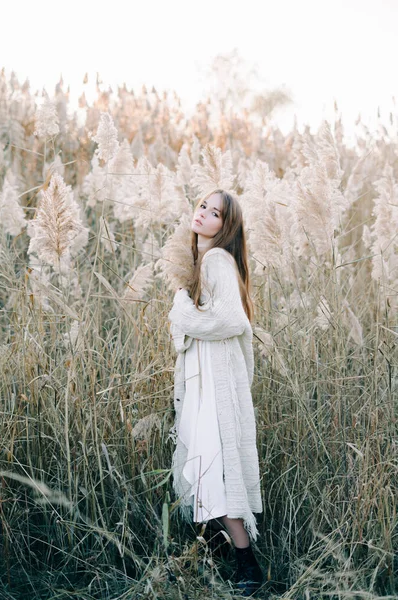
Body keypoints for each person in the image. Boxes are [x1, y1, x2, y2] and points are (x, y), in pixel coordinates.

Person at [168, 189, 264, 596]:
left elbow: (228, 319)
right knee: (207, 465)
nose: (203, 214)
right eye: (202, 206)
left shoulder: (216, 260)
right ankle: (211, 553)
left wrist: (181, 309)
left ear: (227, 227)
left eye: (215, 213)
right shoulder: (205, 261)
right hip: (204, 379)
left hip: (214, 382)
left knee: (216, 469)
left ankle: (248, 567)